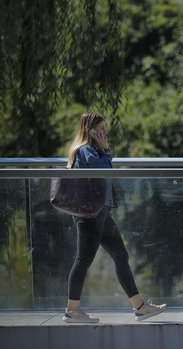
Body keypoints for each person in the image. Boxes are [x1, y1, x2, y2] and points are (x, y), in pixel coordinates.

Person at [62, 112, 167, 323]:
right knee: (83, 260)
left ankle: (139, 306)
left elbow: (106, 170)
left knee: (120, 255)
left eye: (105, 130)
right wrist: (104, 151)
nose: (104, 133)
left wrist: (104, 151)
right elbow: (102, 172)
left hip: (102, 212)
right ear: (89, 131)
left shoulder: (95, 151)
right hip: (90, 215)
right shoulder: (85, 151)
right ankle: (72, 310)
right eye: (100, 130)